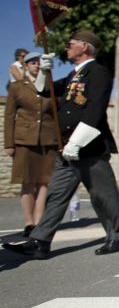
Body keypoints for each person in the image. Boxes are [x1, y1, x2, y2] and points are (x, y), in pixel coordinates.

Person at [2, 30, 119, 258]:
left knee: (103, 196)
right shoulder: (73, 75)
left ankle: (118, 236)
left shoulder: (98, 73)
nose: (67, 48)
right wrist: (44, 71)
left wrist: (77, 142)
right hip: (66, 149)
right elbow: (44, 90)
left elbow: (95, 111)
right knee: (56, 195)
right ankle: (40, 241)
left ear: (85, 47)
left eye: (71, 44)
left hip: (89, 148)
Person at [3, 52, 58, 236]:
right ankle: (28, 222)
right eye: (32, 63)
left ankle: (39, 221)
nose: (36, 65)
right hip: (24, 141)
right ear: (26, 66)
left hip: (48, 140)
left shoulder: (51, 86)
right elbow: (9, 116)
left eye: (38, 63)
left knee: (44, 182)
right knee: (27, 182)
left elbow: (56, 116)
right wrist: (9, 143)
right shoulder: (17, 87)